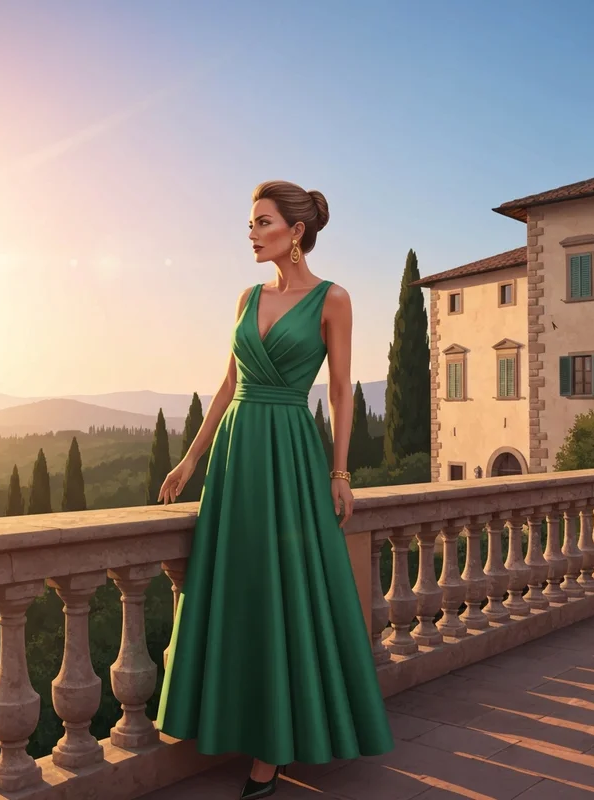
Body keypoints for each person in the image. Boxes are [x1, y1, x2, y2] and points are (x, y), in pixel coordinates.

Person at [155, 180, 394, 799]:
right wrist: (189, 463)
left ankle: (272, 750)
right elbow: (229, 384)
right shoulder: (246, 296)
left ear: (296, 231)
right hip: (237, 455)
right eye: (251, 224)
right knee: (240, 588)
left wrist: (340, 473)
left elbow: (341, 392)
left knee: (286, 590)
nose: (253, 234)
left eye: (263, 223)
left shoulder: (332, 299)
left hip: (289, 451)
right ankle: (231, 719)